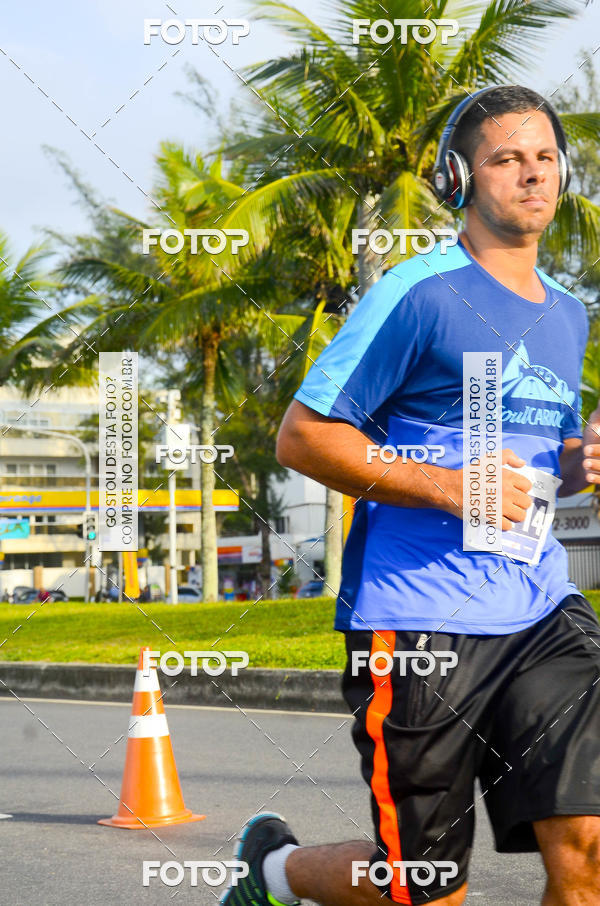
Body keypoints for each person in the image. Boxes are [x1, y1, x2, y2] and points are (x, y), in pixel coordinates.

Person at [221, 85, 600, 906]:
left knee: (590, 844)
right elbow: (304, 437)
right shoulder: (417, 292)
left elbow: (548, 457)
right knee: (425, 886)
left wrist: (584, 460)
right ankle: (274, 874)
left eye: (545, 159)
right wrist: (448, 487)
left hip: (541, 609)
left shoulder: (568, 312)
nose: (533, 176)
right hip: (421, 621)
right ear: (458, 180)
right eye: (507, 159)